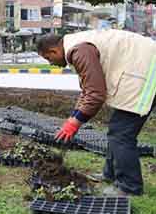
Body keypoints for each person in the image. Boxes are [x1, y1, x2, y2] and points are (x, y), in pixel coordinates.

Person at [37, 29, 156, 196]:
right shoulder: (78, 46)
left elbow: (96, 94)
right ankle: (110, 175)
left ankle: (130, 187)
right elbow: (87, 90)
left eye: (48, 58)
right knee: (116, 130)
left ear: (54, 50)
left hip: (149, 72)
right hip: (142, 70)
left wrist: (76, 122)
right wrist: (74, 116)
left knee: (121, 134)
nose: (50, 63)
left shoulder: (79, 50)